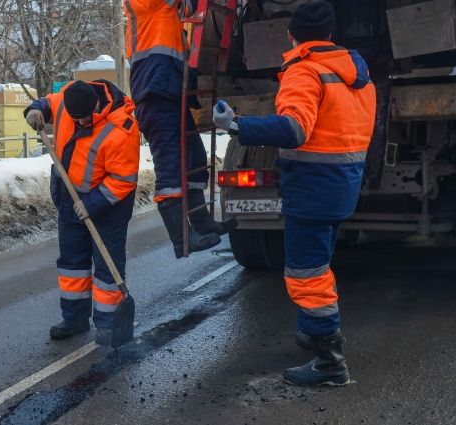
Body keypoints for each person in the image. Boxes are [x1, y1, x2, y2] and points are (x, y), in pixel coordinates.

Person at [213, 1, 376, 386]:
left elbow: (294, 130)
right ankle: (312, 331)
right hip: (342, 185)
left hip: (312, 187)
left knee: (306, 274)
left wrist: (237, 124)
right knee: (318, 265)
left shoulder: (304, 71)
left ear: (292, 34)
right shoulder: (358, 75)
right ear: (332, 34)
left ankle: (329, 362)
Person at [24, 80, 140, 346]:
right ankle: (74, 319)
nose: (81, 122)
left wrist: (93, 204)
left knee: (106, 269)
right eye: (76, 118)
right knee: (72, 264)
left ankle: (109, 325)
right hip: (69, 198)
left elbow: (123, 179)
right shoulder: (68, 99)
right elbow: (48, 102)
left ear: (96, 105)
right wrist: (35, 109)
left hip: (108, 206)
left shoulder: (121, 128)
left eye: (85, 117)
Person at [124, 0, 234, 259]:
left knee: (194, 159)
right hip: (156, 98)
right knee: (171, 172)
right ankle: (181, 239)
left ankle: (202, 223)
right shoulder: (147, 6)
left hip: (171, 96)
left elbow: (191, 7)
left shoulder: (166, 15)